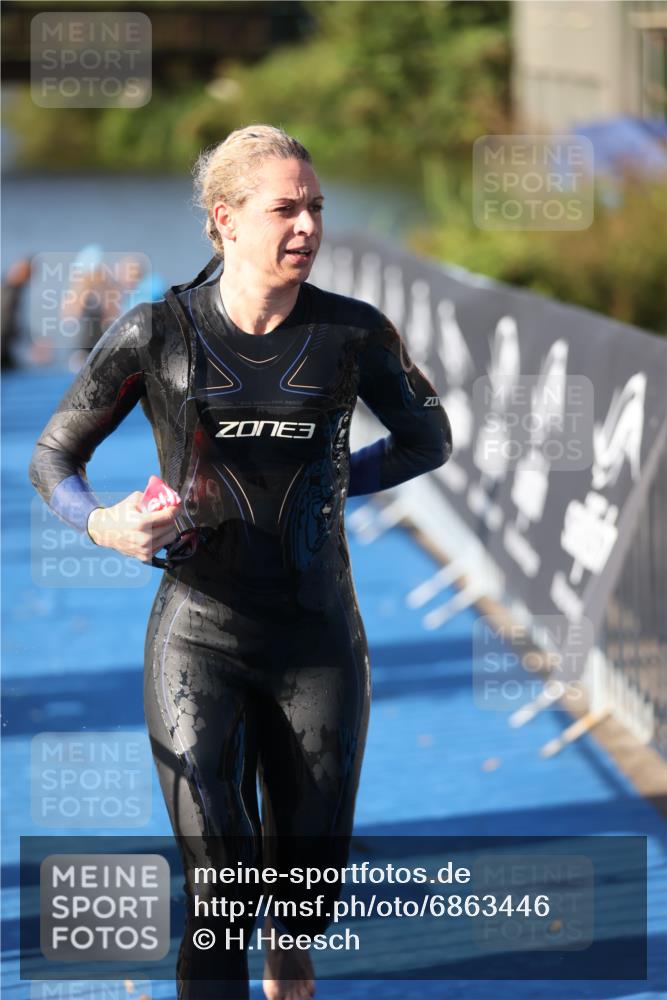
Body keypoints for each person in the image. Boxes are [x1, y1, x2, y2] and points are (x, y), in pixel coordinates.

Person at [29, 125, 452, 1000]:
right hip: (198, 638)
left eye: (317, 209)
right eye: (284, 209)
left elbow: (427, 439)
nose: (306, 226)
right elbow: (51, 459)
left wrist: (335, 483)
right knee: (218, 885)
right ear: (224, 221)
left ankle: (289, 947)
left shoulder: (352, 335)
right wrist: (101, 522)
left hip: (315, 637)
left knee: (303, 894)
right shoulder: (160, 332)